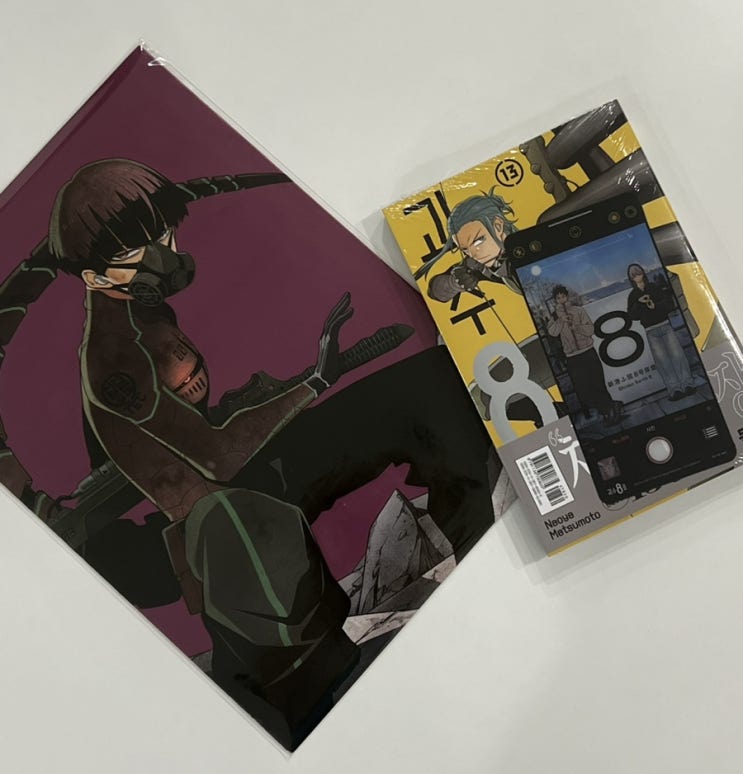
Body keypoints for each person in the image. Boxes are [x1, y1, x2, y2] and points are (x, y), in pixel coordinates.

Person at [0, 159, 497, 749]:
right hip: (229, 524)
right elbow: (214, 457)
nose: (164, 254)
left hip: (245, 496)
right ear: (91, 276)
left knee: (428, 395)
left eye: (164, 235)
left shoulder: (141, 312)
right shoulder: (115, 357)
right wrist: (314, 381)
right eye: (136, 250)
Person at [414, 191, 521, 302]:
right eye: (465, 250)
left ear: (497, 226)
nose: (474, 254)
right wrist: (454, 283)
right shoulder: (478, 264)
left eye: (478, 241)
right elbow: (437, 290)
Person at [547, 285, 622, 424]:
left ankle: (609, 415)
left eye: (563, 296)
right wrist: (561, 321)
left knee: (599, 385)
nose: (562, 300)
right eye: (558, 298)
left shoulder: (578, 310)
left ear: (567, 296)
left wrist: (576, 327)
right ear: (555, 300)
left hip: (588, 352)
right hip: (572, 357)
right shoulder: (555, 316)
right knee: (584, 392)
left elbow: (590, 330)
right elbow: (552, 332)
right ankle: (611, 406)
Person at [626, 263, 695, 401]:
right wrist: (639, 303)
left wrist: (655, 306)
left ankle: (687, 384)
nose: (636, 275)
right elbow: (632, 316)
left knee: (677, 356)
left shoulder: (653, 287)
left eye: (638, 272)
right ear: (631, 278)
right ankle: (675, 389)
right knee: (664, 362)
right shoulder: (633, 295)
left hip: (664, 325)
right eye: (633, 274)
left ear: (643, 272)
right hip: (651, 330)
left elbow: (669, 304)